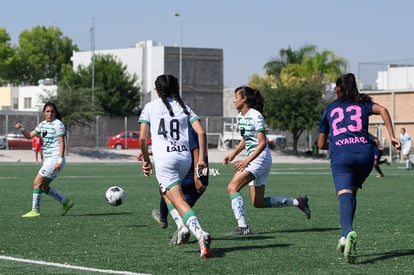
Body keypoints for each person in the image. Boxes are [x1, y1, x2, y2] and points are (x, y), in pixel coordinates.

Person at [318, 73, 400, 264]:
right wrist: (392, 135)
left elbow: (321, 144)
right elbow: (384, 110)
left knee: (344, 194)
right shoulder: (363, 102)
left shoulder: (330, 109)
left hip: (342, 156)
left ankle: (347, 233)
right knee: (351, 193)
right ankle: (343, 236)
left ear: (338, 89)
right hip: (365, 156)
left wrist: (332, 142)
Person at [138, 74, 211, 258]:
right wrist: (201, 159)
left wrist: (146, 160)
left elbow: (141, 139)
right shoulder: (184, 107)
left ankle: (200, 234)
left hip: (165, 161)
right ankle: (181, 227)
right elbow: (201, 132)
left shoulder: (150, 107)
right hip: (184, 160)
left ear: (156, 90)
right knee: (166, 193)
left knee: (178, 200)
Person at [223, 86, 311, 236]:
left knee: (232, 187)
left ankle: (243, 227)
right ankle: (298, 202)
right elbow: (246, 139)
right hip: (255, 159)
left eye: (236, 97)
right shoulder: (240, 116)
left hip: (259, 159)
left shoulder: (256, 116)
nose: (234, 100)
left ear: (244, 99)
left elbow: (262, 142)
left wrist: (246, 160)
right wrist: (233, 154)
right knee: (258, 202)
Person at [137, 127, 209, 245]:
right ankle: (174, 224)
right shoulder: (187, 124)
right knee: (176, 200)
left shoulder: (187, 125)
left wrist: (197, 176)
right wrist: (150, 152)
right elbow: (179, 149)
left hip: (191, 175)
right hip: (200, 175)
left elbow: (195, 149)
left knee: (170, 195)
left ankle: (186, 229)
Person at [15, 102, 74, 218]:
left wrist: (60, 160)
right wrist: (21, 128)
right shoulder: (42, 125)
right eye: (47, 111)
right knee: (43, 187)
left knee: (36, 182)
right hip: (49, 160)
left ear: (55, 113)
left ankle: (35, 210)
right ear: (44, 113)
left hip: (55, 159)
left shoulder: (58, 124)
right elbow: (29, 136)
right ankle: (65, 202)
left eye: (52, 111)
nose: (50, 113)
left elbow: (62, 143)